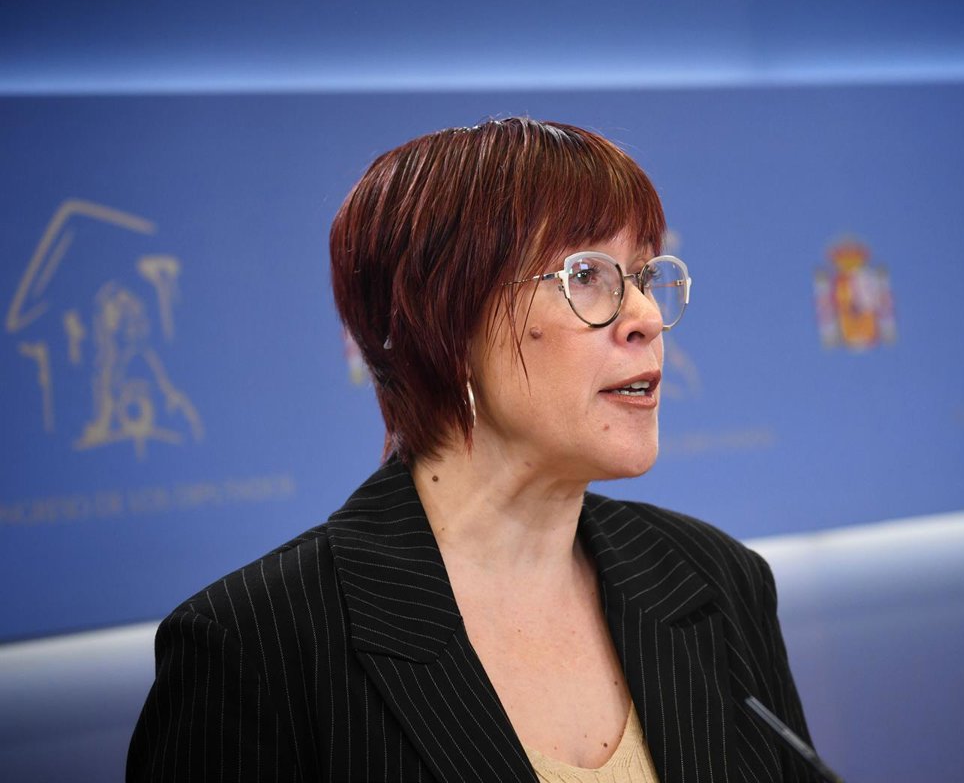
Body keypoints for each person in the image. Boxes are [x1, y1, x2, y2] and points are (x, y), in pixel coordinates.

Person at [127, 117, 817, 782]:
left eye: (642, 277)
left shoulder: (717, 579)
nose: (645, 316)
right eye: (587, 276)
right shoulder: (254, 647)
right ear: (443, 324)